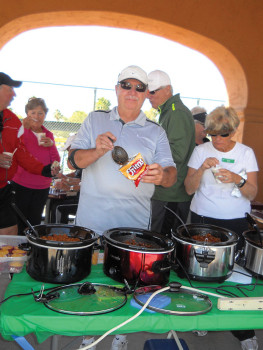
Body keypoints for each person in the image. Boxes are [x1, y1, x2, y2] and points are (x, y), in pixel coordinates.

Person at [68, 65, 177, 350]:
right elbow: (73, 162)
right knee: (91, 281)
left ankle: (121, 334)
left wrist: (161, 176)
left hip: (132, 225)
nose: (132, 92)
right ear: (116, 89)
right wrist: (96, 150)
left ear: (145, 94)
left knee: (127, 284)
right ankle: (90, 331)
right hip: (92, 222)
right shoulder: (95, 119)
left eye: (140, 88)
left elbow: (171, 174)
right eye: (126, 85)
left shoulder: (156, 131)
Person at [184, 106, 259, 350]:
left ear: (234, 130)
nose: (217, 140)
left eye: (223, 135)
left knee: (234, 277)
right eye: (213, 134)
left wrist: (238, 179)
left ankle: (244, 332)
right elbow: (188, 188)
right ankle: (203, 316)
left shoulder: (246, 153)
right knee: (201, 273)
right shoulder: (200, 151)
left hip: (235, 221)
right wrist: (203, 168)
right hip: (203, 218)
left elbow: (252, 192)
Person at [0, 73, 59, 236]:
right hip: (21, 185)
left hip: (5, 188)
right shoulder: (21, 126)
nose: (14, 94)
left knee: (14, 233)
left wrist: (43, 170)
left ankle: (16, 260)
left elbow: (21, 154)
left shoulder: (11, 120)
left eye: (41, 113)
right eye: (10, 89)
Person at [147, 70, 195, 237]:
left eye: (152, 91)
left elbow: (178, 153)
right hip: (166, 193)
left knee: (162, 242)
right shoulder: (170, 111)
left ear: (168, 89)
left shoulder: (176, 112)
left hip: (171, 195)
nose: (148, 95)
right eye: (147, 91)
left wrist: (146, 155)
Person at [12, 97, 60, 234]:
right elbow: (17, 149)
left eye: (40, 113)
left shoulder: (48, 134)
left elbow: (55, 162)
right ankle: (16, 251)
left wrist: (51, 145)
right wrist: (24, 128)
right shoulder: (21, 131)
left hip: (42, 186)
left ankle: (31, 251)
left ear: (45, 115)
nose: (36, 117)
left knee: (35, 223)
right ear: (27, 114)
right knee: (18, 222)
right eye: (33, 113)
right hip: (21, 184)